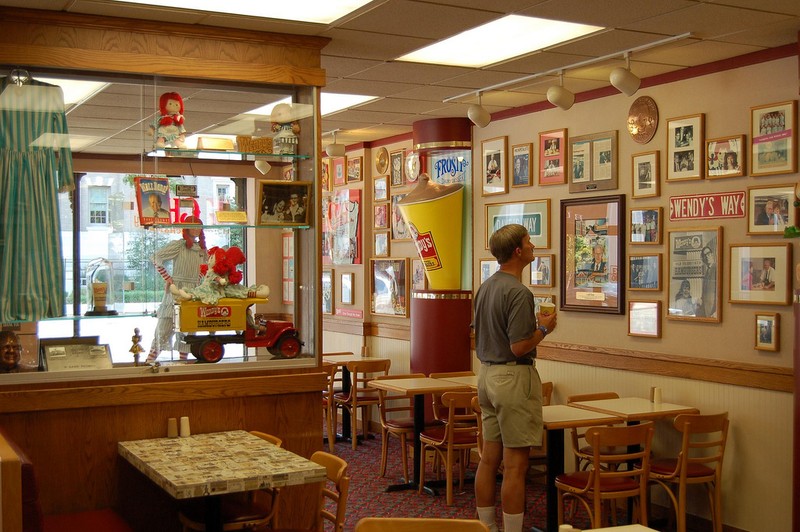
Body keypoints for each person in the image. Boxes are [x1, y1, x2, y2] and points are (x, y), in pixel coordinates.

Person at [473, 223, 557, 532]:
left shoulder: (486, 287)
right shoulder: (519, 292)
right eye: (529, 242)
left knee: (488, 460)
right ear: (518, 252)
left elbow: (476, 334)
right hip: (512, 378)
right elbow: (520, 346)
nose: (534, 246)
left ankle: (486, 527)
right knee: (515, 467)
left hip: (486, 375)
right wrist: (545, 328)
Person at [145, 217, 207, 363]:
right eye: (194, 226)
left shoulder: (202, 250)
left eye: (199, 226)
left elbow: (205, 270)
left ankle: (182, 363)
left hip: (193, 293)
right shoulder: (179, 246)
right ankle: (149, 362)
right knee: (164, 327)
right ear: (186, 228)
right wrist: (168, 278)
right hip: (176, 290)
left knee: (187, 331)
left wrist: (200, 282)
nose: (197, 229)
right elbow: (156, 257)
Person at [697, 245, 717, 318]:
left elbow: (721, 293)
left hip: (714, 313)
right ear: (703, 259)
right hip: (706, 312)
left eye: (708, 254)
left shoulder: (717, 269)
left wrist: (717, 311)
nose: (707, 256)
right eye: (705, 255)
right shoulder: (706, 273)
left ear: (712, 255)